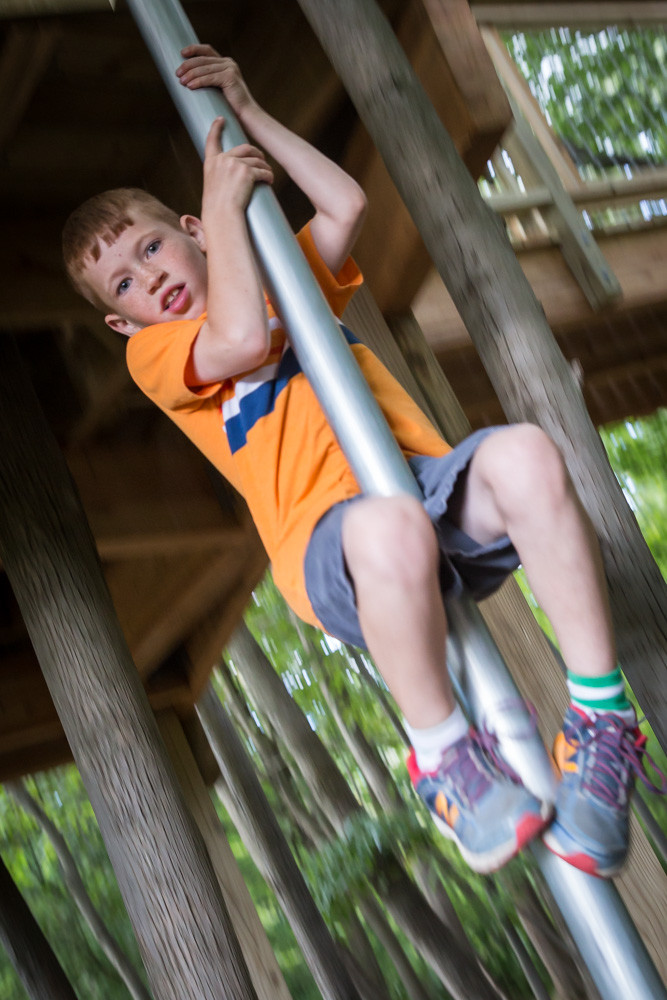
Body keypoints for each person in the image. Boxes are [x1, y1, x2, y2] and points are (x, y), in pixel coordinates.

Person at [62, 44, 656, 878]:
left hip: (425, 489)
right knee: (388, 528)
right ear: (122, 324)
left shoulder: (283, 283)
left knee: (524, 454)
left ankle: (599, 721)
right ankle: (441, 755)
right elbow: (240, 339)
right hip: (330, 544)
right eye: (123, 285)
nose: (146, 279)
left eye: (151, 249)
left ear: (189, 233)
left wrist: (248, 111)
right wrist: (222, 205)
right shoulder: (156, 356)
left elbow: (344, 202)